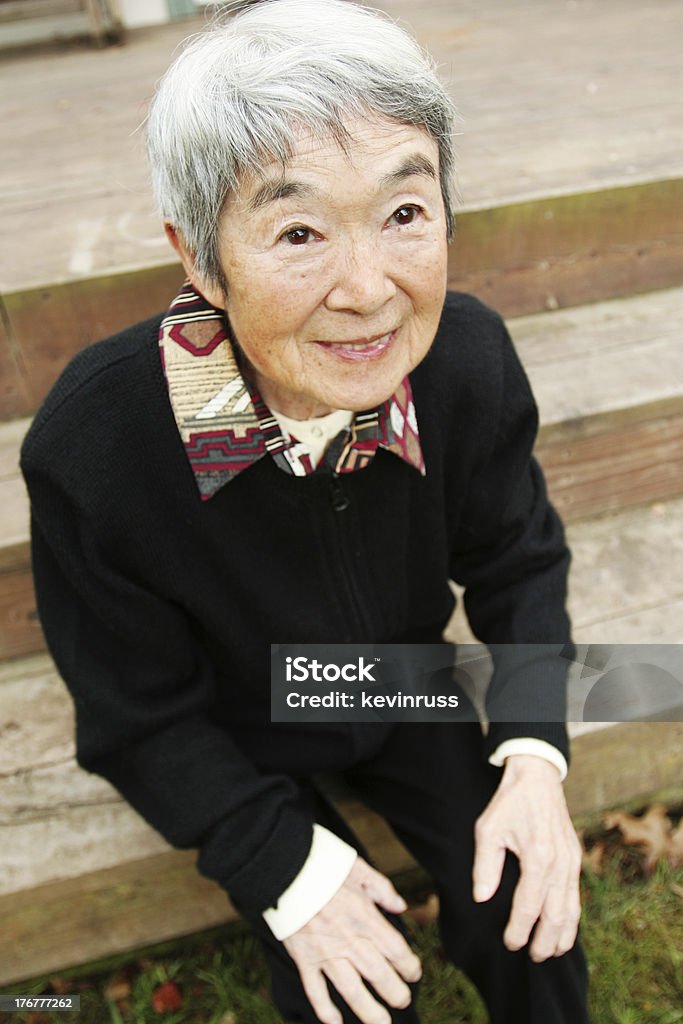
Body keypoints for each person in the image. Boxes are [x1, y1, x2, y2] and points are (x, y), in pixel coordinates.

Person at [20, 1, 589, 1021]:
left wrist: (535, 755)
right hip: (233, 726)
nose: (367, 290)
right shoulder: (94, 449)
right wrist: (280, 861)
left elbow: (518, 560)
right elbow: (135, 714)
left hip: (397, 683)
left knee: (529, 917)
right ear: (200, 258)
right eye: (296, 230)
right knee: (349, 996)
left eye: (403, 213)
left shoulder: (464, 361)